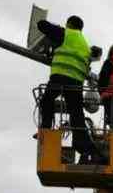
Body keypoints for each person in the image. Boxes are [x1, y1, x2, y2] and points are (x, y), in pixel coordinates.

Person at [36, 14, 101, 163]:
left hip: (60, 77)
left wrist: (57, 27)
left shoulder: (65, 33)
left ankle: (45, 131)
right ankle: (86, 148)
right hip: (76, 83)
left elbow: (41, 24)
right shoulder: (85, 44)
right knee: (76, 115)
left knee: (47, 101)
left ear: (69, 24)